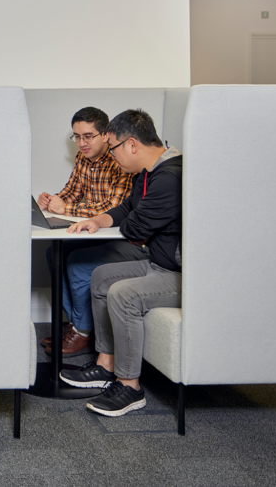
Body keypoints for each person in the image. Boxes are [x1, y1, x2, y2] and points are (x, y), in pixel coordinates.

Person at [58, 109, 183, 417]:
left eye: (112, 148)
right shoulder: (147, 172)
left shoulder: (170, 177)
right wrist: (97, 221)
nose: (112, 156)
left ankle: (130, 387)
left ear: (131, 144)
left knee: (122, 293)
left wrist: (129, 222)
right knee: (101, 276)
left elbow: (135, 228)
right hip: (158, 263)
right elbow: (127, 209)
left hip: (181, 275)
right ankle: (106, 365)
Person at [39, 107, 133, 356]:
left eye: (88, 136)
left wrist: (66, 206)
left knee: (76, 262)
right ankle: (79, 327)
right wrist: (52, 200)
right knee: (53, 254)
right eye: (77, 137)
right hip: (93, 231)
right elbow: (70, 193)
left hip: (114, 234)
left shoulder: (120, 159)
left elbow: (114, 208)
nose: (81, 143)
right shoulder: (83, 159)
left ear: (105, 135)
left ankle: (82, 332)